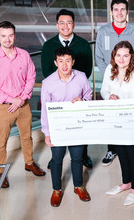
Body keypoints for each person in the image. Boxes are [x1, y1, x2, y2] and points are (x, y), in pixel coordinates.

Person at [0, 21, 45, 188]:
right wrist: (12, 100)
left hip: (23, 104)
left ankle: (29, 162)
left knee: (26, 136)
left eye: (10, 35)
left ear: (14, 36)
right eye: (3, 36)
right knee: (1, 140)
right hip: (4, 107)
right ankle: (0, 172)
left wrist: (22, 97)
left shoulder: (24, 55)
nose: (7, 39)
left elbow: (31, 77)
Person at [96, 0, 134, 166]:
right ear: (111, 12)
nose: (119, 12)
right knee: (112, 120)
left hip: (129, 82)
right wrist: (112, 77)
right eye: (115, 9)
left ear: (127, 12)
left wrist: (126, 76)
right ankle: (112, 149)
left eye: (122, 9)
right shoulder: (103, 31)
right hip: (112, 84)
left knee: (130, 120)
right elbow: (100, 58)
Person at [41, 9, 93, 168]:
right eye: (62, 23)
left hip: (77, 94)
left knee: (80, 127)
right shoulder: (48, 45)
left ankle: (83, 156)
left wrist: (76, 86)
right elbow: (46, 70)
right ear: (57, 25)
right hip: (57, 95)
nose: (65, 26)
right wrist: (60, 85)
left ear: (74, 25)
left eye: (69, 22)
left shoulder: (83, 44)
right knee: (58, 128)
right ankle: (55, 156)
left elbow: (87, 69)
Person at [41, 47, 93, 206]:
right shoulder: (47, 82)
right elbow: (44, 109)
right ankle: (56, 189)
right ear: (55, 62)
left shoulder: (81, 77)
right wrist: (47, 133)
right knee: (56, 159)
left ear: (73, 62)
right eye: (61, 61)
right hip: (57, 127)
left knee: (77, 157)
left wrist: (82, 101)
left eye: (68, 61)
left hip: (77, 125)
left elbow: (89, 96)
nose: (64, 65)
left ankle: (78, 186)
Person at [101, 41, 134, 206]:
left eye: (125, 55)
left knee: (133, 155)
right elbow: (103, 90)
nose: (121, 58)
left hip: (132, 121)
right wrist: (109, 96)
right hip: (115, 120)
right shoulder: (109, 69)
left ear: (131, 56)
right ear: (114, 55)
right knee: (121, 153)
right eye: (118, 55)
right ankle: (126, 182)